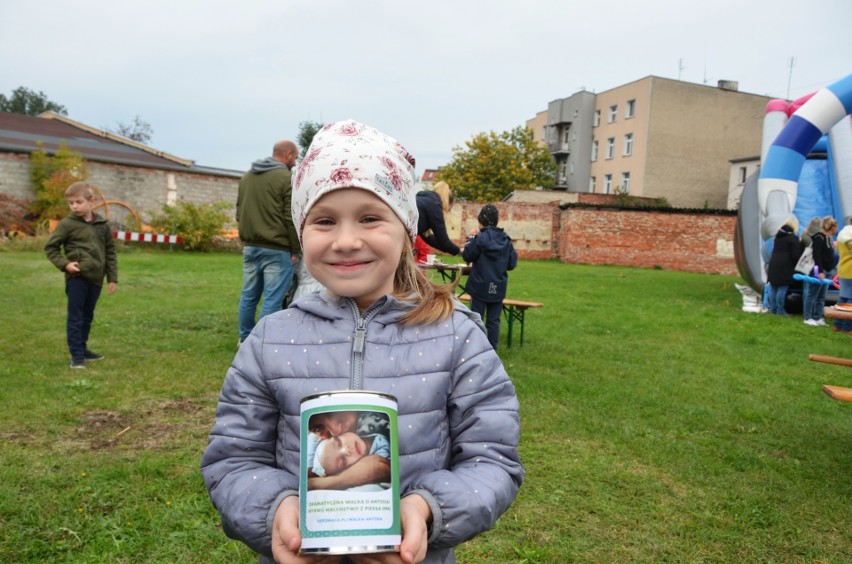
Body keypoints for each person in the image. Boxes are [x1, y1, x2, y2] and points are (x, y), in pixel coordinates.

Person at [202, 119, 523, 564]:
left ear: (406, 229)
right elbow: (233, 460)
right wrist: (276, 509)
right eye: (324, 221)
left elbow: (493, 460)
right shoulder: (269, 340)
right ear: (301, 230)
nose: (347, 241)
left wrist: (426, 510)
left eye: (370, 218)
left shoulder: (457, 335)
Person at [44, 182, 118, 368]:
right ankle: (76, 357)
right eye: (71, 203)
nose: (74, 206)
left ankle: (83, 350)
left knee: (87, 317)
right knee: (75, 318)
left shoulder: (102, 225)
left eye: (78, 202)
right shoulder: (67, 224)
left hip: (96, 279)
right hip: (77, 278)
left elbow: (110, 251)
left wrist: (112, 277)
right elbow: (51, 248)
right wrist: (65, 265)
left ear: (91, 201)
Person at [236, 140, 301, 344]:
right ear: (288, 154)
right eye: (296, 156)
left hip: (251, 246)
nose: (296, 161)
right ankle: (262, 343)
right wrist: (295, 248)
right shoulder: (285, 178)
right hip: (277, 247)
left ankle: (244, 338)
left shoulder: (247, 176)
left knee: (249, 296)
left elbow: (239, 211)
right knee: (272, 299)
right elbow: (290, 216)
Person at [461, 204, 518, 349]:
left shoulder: (480, 238)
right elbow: (512, 264)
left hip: (480, 284)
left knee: (476, 318)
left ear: (481, 220)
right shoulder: (506, 239)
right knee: (494, 321)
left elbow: (467, 255)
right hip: (498, 286)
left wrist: (472, 237)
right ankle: (492, 350)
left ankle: (475, 349)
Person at [802, 216, 838, 326]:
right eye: (836, 227)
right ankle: (807, 317)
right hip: (819, 271)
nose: (837, 229)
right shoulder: (819, 237)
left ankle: (818, 316)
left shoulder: (828, 238)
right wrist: (820, 271)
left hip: (828, 270)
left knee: (822, 296)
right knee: (812, 294)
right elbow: (816, 255)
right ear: (832, 227)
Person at [414, 180, 460, 263]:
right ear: (447, 202)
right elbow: (443, 240)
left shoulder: (423, 201)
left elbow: (429, 238)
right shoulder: (434, 204)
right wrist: (460, 252)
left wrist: (454, 250)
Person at [765, 216, 801, 316]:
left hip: (774, 263)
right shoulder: (793, 238)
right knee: (782, 288)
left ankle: (773, 309)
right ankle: (780, 310)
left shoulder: (777, 236)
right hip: (786, 265)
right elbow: (795, 255)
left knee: (773, 287)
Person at [833, 219, 852, 333]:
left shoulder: (842, 234)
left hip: (843, 269)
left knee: (843, 297)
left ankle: (838, 324)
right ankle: (848, 327)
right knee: (851, 299)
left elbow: (838, 250)